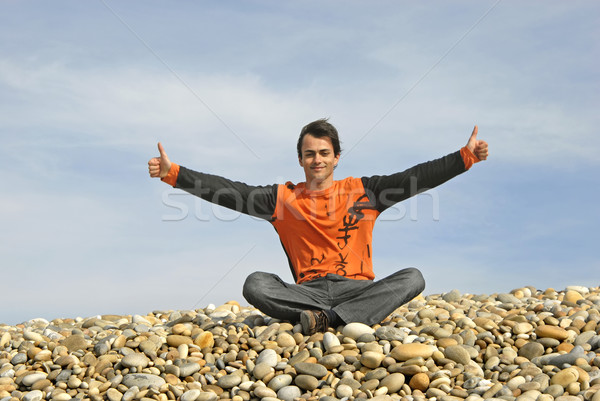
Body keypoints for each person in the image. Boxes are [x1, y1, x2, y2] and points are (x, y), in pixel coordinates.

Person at [148, 119, 488, 335]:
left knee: (413, 277)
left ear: (337, 157)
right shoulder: (281, 199)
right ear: (300, 159)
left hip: (358, 288)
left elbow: (416, 177)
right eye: (310, 154)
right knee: (256, 284)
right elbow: (227, 191)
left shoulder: (365, 191)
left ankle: (329, 320)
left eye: (324, 153)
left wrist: (465, 157)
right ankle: (341, 319)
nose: (317, 160)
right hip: (306, 292)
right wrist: (173, 173)